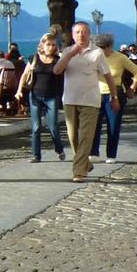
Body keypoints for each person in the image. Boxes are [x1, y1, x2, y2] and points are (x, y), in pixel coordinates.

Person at [54, 22, 120, 182]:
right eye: (77, 32)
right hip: (70, 100)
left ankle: (78, 171)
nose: (81, 35)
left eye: (84, 32)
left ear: (89, 34)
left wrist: (114, 97)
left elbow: (108, 76)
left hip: (90, 101)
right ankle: (85, 163)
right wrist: (70, 54)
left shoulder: (97, 53)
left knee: (85, 136)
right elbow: (57, 70)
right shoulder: (67, 51)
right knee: (72, 136)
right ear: (72, 34)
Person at [90, 33, 137, 163]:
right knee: (94, 125)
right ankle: (93, 152)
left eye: (103, 47)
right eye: (98, 47)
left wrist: (132, 87)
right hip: (96, 94)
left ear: (110, 46)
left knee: (113, 126)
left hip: (115, 94)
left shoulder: (120, 58)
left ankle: (111, 155)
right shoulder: (94, 57)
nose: (101, 49)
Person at [15, 33, 66, 163]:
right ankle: (36, 155)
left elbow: (64, 76)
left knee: (52, 126)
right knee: (36, 126)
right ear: (42, 45)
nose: (50, 47)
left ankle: (59, 148)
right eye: (48, 44)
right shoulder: (34, 58)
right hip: (35, 95)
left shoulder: (57, 60)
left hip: (52, 97)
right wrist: (19, 90)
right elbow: (25, 74)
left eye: (53, 45)